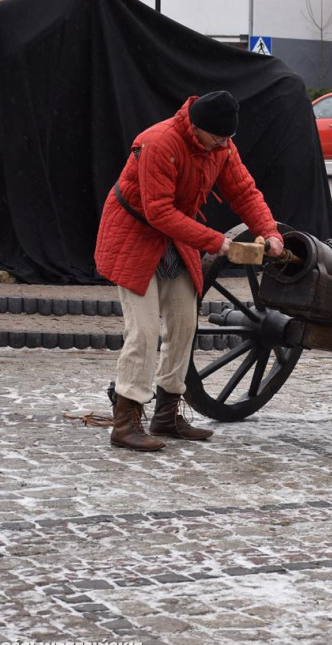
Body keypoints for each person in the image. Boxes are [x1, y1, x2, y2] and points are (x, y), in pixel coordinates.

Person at [94, 91, 283, 451]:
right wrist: (219, 243)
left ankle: (166, 415)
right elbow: (158, 212)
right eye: (218, 139)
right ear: (196, 129)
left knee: (184, 324)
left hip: (177, 238)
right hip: (135, 235)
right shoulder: (159, 143)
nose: (225, 146)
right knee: (145, 332)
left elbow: (244, 191)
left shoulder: (221, 146)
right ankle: (125, 421)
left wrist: (269, 231)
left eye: (229, 139)